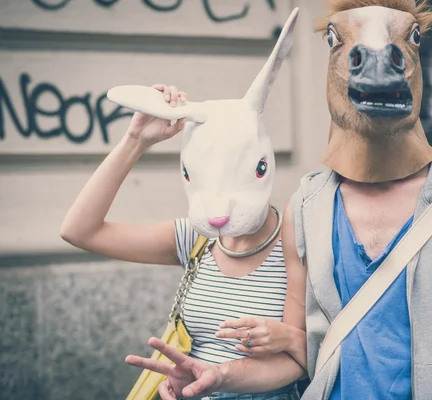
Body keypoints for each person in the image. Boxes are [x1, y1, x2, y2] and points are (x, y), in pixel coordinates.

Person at [125, 1, 432, 399]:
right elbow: (299, 357)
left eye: (411, 39)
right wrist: (219, 374)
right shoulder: (307, 206)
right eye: (337, 40)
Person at [60, 83, 304, 400]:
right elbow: (79, 230)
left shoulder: (295, 235)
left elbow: (298, 359)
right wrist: (135, 141)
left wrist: (218, 376)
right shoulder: (196, 238)